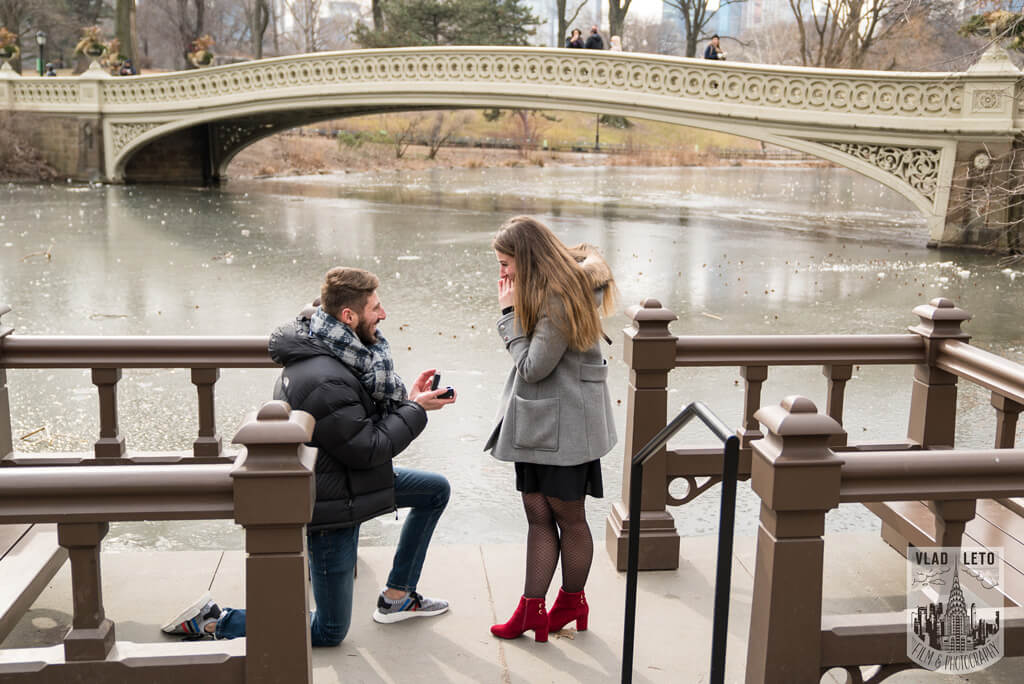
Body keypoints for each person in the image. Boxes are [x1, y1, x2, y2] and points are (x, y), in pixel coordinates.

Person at [162, 267, 456, 643]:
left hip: (347, 480)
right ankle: (214, 621)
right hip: (331, 504)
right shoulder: (325, 379)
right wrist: (415, 410)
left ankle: (398, 597)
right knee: (330, 630)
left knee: (435, 490)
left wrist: (406, 399)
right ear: (348, 317)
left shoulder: (335, 349)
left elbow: (356, 420)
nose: (383, 315)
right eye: (376, 308)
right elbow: (369, 448)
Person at [486, 216, 617, 643]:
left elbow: (533, 366)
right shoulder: (546, 286)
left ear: (528, 258)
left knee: (569, 517)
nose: (502, 274)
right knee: (537, 513)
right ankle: (532, 610)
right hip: (541, 422)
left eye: (506, 263)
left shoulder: (562, 295)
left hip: (567, 428)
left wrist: (508, 316)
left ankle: (572, 600)